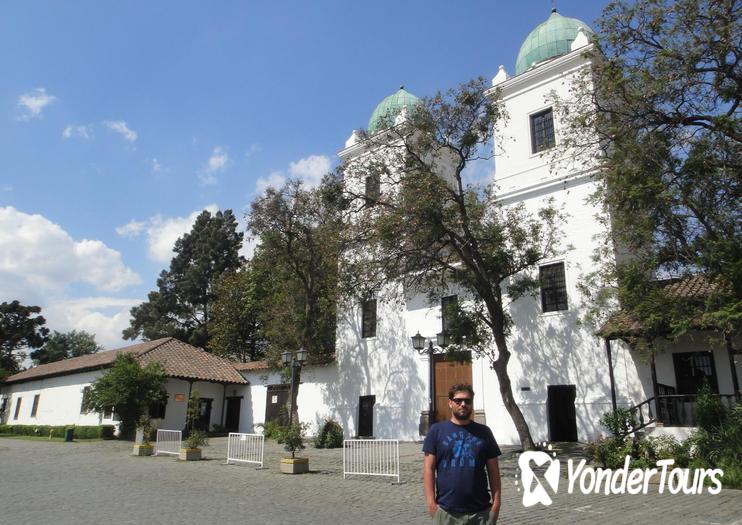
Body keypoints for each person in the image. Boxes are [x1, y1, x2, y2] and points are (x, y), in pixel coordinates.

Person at [423, 383, 502, 525]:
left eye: (467, 401)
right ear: (450, 403)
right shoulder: (436, 431)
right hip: (446, 512)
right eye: (458, 401)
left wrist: (496, 504)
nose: (463, 404)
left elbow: (493, 471)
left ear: (472, 404)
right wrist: (431, 503)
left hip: (481, 513)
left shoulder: (484, 432)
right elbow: (429, 468)